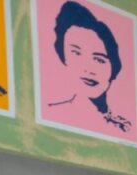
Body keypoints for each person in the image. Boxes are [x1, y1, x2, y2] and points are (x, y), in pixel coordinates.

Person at [46, 1, 132, 135]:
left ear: (113, 68)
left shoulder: (123, 126)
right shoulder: (54, 113)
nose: (88, 69)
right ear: (64, 57)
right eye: (76, 53)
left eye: (99, 59)